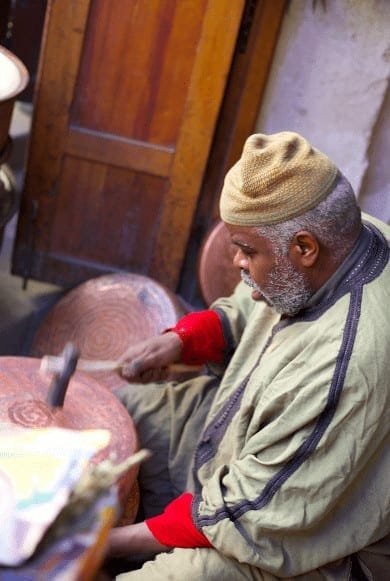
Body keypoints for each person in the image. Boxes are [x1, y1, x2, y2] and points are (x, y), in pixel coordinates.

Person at [106, 131, 390, 580]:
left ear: (304, 248)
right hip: (250, 440)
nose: (236, 261)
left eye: (246, 250)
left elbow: (253, 510)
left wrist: (105, 545)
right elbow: (251, 302)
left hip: (305, 538)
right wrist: (185, 339)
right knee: (112, 414)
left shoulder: (346, 366)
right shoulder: (347, 237)